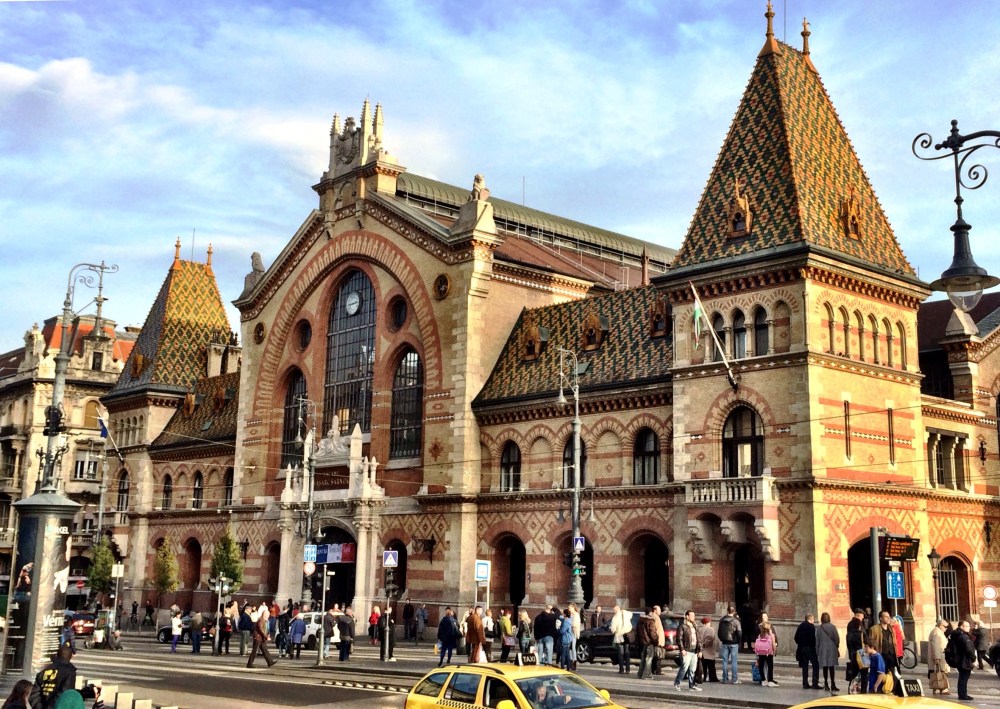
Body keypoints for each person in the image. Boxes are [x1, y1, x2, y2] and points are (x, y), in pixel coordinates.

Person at [29, 643, 76, 709]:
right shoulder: (69, 672)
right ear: (70, 656)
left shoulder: (43, 672)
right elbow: (65, 695)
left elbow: (34, 694)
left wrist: (39, 707)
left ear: (57, 655)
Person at [673, 610, 701, 691]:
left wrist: (700, 650)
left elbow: (699, 639)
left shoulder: (695, 626)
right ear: (687, 616)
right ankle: (677, 683)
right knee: (684, 668)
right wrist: (682, 649)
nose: (693, 617)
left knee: (693, 669)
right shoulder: (682, 626)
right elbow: (679, 638)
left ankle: (691, 685)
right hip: (687, 650)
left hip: (694, 650)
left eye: (694, 615)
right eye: (691, 615)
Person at [949, 619, 976, 701]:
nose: (969, 628)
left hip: (959, 659)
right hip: (964, 659)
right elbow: (968, 649)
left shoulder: (956, 634)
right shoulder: (963, 636)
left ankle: (962, 694)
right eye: (967, 626)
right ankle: (963, 695)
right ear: (961, 626)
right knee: (964, 678)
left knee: (962, 677)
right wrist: (974, 658)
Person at [815, 612, 840, 692]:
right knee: (832, 668)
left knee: (825, 668)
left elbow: (817, 640)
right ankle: (833, 684)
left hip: (823, 650)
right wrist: (836, 647)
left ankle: (826, 684)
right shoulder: (833, 627)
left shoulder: (819, 628)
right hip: (832, 649)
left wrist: (817, 651)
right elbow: (837, 639)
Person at [794, 613, 820, 689]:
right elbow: (813, 638)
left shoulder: (800, 626)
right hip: (810, 648)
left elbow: (795, 637)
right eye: (813, 619)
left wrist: (800, 643)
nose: (813, 621)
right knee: (815, 665)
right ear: (810, 619)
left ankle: (805, 683)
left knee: (805, 666)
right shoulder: (811, 627)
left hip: (801, 648)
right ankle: (815, 683)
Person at [247, 602, 276, 668]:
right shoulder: (261, 620)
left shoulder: (264, 620)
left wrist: (266, 635)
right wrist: (266, 636)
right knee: (254, 651)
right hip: (258, 638)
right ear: (264, 615)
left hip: (261, 638)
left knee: (265, 650)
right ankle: (249, 664)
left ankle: (270, 662)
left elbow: (265, 629)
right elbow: (260, 629)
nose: (268, 616)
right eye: (267, 615)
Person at [717, 605, 741, 684]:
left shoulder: (722, 620)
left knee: (725, 661)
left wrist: (722, 639)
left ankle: (725, 679)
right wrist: (738, 641)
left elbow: (719, 632)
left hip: (724, 643)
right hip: (734, 643)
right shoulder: (736, 621)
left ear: (727, 611)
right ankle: (734, 679)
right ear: (734, 612)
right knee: (734, 661)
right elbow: (739, 632)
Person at [754, 613, 778, 687]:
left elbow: (756, 644)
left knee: (761, 666)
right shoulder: (771, 635)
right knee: (770, 666)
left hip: (761, 653)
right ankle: (770, 680)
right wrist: (774, 651)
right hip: (769, 652)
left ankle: (763, 680)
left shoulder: (760, 635)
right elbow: (774, 644)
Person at [928, 618, 950, 695]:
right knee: (940, 673)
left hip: (940, 656)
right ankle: (941, 688)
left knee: (940, 672)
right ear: (940, 625)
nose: (946, 628)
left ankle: (939, 688)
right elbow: (936, 646)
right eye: (945, 626)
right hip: (939, 657)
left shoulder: (938, 632)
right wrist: (937, 657)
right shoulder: (937, 633)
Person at [636, 608, 658, 680]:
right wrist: (656, 641)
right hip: (649, 642)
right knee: (649, 659)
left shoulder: (640, 620)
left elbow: (637, 631)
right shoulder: (650, 621)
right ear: (650, 613)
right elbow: (652, 633)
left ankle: (640, 674)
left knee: (643, 659)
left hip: (643, 642)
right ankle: (646, 675)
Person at [845, 608, 865, 684]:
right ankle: (857, 687)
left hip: (852, 651)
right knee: (860, 672)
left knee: (853, 671)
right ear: (858, 615)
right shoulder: (858, 623)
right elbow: (861, 637)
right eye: (862, 616)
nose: (862, 618)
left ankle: (852, 687)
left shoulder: (849, 624)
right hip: (859, 651)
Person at [609, 605, 631, 674]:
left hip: (619, 636)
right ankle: (628, 669)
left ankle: (621, 669)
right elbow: (631, 614)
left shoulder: (615, 617)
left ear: (615, 610)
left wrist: (612, 630)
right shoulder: (626, 613)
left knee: (620, 654)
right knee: (627, 653)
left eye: (614, 610)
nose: (613, 611)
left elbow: (613, 629)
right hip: (627, 635)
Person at [698, 617, 719, 682]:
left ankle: (703, 678)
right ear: (708, 622)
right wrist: (704, 644)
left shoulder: (699, 629)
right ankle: (712, 678)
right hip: (708, 650)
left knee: (703, 665)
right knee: (711, 665)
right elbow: (709, 638)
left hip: (702, 650)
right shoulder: (710, 629)